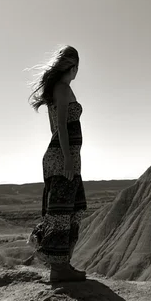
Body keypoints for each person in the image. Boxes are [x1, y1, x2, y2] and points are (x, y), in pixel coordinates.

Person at [27, 45, 87, 282]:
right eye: (77, 68)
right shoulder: (62, 89)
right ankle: (58, 269)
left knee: (71, 210)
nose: (77, 72)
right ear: (72, 67)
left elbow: (56, 127)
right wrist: (68, 159)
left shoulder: (60, 89)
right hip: (62, 159)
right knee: (62, 213)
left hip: (64, 157)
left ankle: (62, 265)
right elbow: (60, 127)